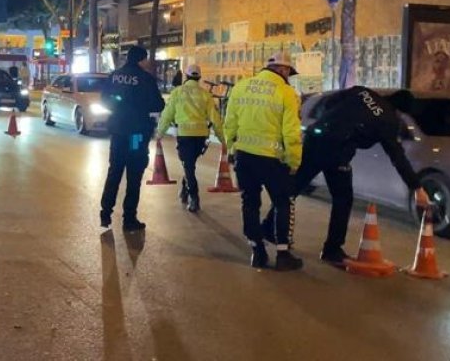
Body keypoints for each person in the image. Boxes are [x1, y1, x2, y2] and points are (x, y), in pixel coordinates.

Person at [266, 87, 431, 267]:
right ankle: (332, 250)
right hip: (336, 150)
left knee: (294, 187)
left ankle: (268, 227)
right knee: (343, 199)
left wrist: (332, 122)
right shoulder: (388, 120)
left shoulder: (362, 92)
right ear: (401, 109)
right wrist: (417, 188)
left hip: (316, 138)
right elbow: (398, 157)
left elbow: (330, 102)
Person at [224, 52, 304, 271]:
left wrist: (231, 148)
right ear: (283, 70)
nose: (289, 76)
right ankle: (282, 254)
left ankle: (257, 251)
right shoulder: (287, 92)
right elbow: (291, 131)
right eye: (289, 72)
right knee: (283, 202)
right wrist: (294, 160)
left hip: (244, 155)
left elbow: (229, 121)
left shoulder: (241, 86)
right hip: (272, 159)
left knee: (250, 202)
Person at [100, 46, 165, 231]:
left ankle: (105, 213)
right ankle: (129, 219)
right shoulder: (146, 79)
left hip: (118, 132)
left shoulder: (115, 76)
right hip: (136, 134)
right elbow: (158, 104)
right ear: (141, 59)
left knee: (114, 172)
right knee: (134, 175)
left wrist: (120, 106)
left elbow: (104, 99)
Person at [155, 64, 225, 213]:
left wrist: (160, 132)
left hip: (185, 135)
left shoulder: (177, 92)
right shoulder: (205, 94)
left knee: (188, 166)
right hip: (200, 136)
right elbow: (215, 117)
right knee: (189, 164)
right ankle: (185, 190)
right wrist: (222, 137)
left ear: (186, 76)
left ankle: (194, 197)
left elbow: (167, 114)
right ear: (199, 77)